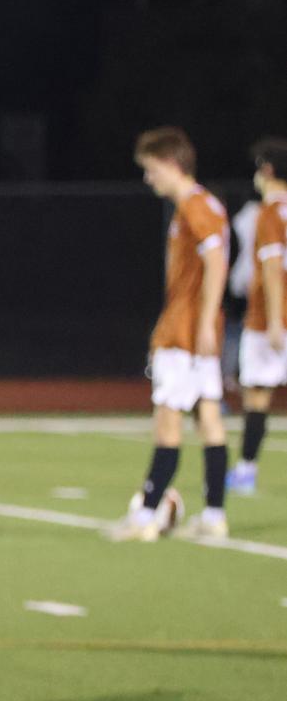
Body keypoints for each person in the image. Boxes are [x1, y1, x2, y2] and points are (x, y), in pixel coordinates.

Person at [109, 127, 231, 540]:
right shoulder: (205, 204)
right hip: (198, 330)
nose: (149, 179)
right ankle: (214, 516)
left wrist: (203, 321)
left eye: (151, 169)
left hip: (183, 332)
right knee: (209, 419)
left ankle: (145, 517)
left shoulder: (194, 205)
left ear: (172, 164)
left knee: (168, 424)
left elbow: (215, 259)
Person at [229, 139, 286, 494]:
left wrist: (277, 320)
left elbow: (270, 268)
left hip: (268, 319)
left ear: (267, 170)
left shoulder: (268, 213)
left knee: (257, 397)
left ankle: (246, 472)